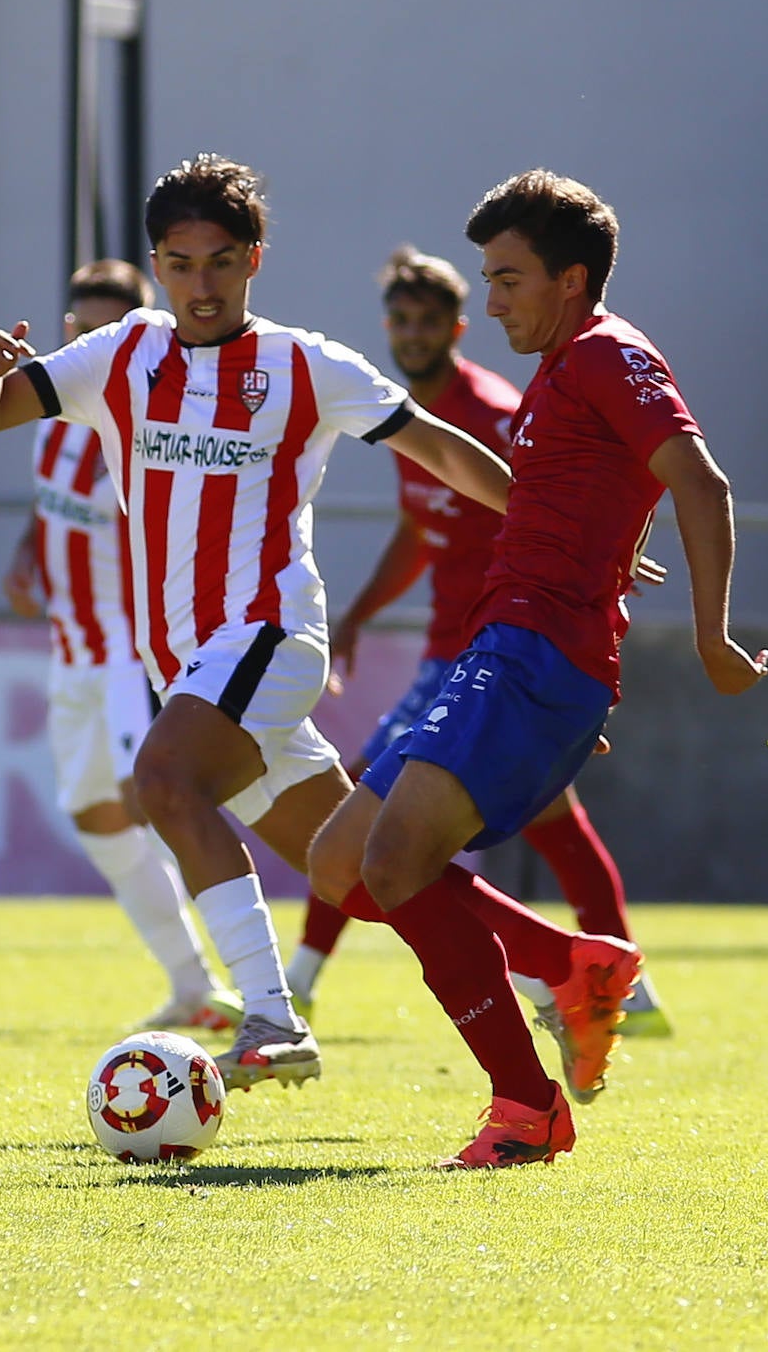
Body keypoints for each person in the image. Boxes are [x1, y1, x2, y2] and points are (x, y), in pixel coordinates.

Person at [0, 153, 516, 1095]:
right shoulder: (121, 354)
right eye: (179, 263)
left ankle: (268, 1015)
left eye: (219, 261)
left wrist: (553, 522)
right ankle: (564, 966)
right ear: (157, 264)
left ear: (254, 259)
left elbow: (443, 451)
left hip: (267, 633)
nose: (199, 283)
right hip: (188, 664)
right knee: (361, 872)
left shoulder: (305, 363)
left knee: (166, 780)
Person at [307, 169, 768, 1169]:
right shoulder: (563, 368)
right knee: (341, 868)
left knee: (393, 866)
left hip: (533, 655)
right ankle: (573, 964)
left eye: (508, 278)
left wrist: (708, 637)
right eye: (488, 274)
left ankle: (525, 1108)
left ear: (570, 280)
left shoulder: (607, 355)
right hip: (506, 652)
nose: (495, 296)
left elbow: (701, 480)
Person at [285, 244, 671, 1036]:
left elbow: (563, 506)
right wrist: (358, 614)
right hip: (474, 650)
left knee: (362, 814)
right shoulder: (405, 412)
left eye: (428, 322)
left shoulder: (493, 412)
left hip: (499, 649)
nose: (412, 335)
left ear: (456, 327)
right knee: (549, 822)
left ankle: (295, 989)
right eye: (400, 320)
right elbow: (421, 531)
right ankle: (623, 988)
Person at [2, 259, 242, 1034]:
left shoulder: (141, 426)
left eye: (110, 327)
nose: (90, 338)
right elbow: (55, 507)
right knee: (94, 817)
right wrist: (27, 551)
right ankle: (196, 986)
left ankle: (259, 989)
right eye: (82, 325)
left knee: (161, 804)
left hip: (125, 658)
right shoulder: (54, 414)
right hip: (70, 652)